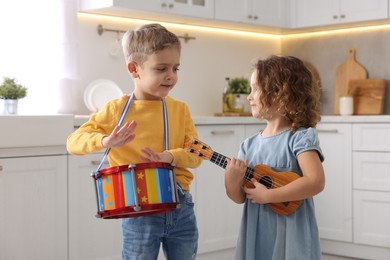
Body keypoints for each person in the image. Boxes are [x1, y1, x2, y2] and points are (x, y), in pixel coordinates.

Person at [67, 23, 202, 260]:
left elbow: (196, 154)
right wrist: (106, 140)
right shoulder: (115, 110)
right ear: (134, 69)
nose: (171, 75)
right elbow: (74, 142)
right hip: (138, 209)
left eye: (175, 68)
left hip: (180, 206)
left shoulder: (180, 110)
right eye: (161, 68)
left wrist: (169, 156)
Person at [224, 55, 325, 260]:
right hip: (257, 230)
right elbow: (239, 197)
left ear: (280, 94)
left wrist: (269, 196)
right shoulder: (249, 145)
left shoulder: (299, 137)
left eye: (255, 89)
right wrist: (231, 179)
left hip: (292, 231)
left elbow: (315, 181)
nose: (249, 96)